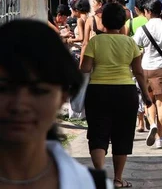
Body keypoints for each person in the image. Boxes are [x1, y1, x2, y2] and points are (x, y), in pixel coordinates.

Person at [0, 20, 112, 188]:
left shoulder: (90, 184)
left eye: (38, 91)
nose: (19, 105)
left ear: (62, 97)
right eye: (4, 89)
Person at [82, 3, 153, 187]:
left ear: (103, 22)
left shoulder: (95, 41)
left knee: (98, 134)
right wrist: (146, 96)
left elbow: (85, 68)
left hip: (98, 91)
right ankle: (118, 179)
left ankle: (100, 178)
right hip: (125, 92)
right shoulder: (130, 42)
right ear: (123, 23)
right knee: (122, 135)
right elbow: (138, 72)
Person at [133, 0, 162, 149]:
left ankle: (152, 123)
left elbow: (135, 49)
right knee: (161, 104)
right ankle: (159, 139)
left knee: (149, 102)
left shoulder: (142, 29)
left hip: (145, 68)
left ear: (147, 12)